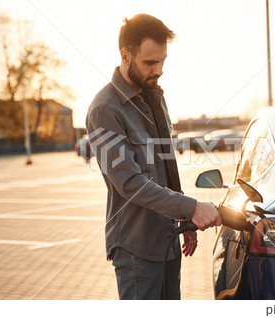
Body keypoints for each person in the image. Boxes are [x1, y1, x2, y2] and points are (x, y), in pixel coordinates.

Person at [86, 13, 221, 300]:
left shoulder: (155, 96)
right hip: (137, 250)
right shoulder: (105, 110)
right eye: (150, 62)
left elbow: (166, 165)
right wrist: (192, 208)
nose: (158, 69)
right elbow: (130, 183)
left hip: (168, 241)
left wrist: (183, 217)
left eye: (162, 61)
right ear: (125, 55)